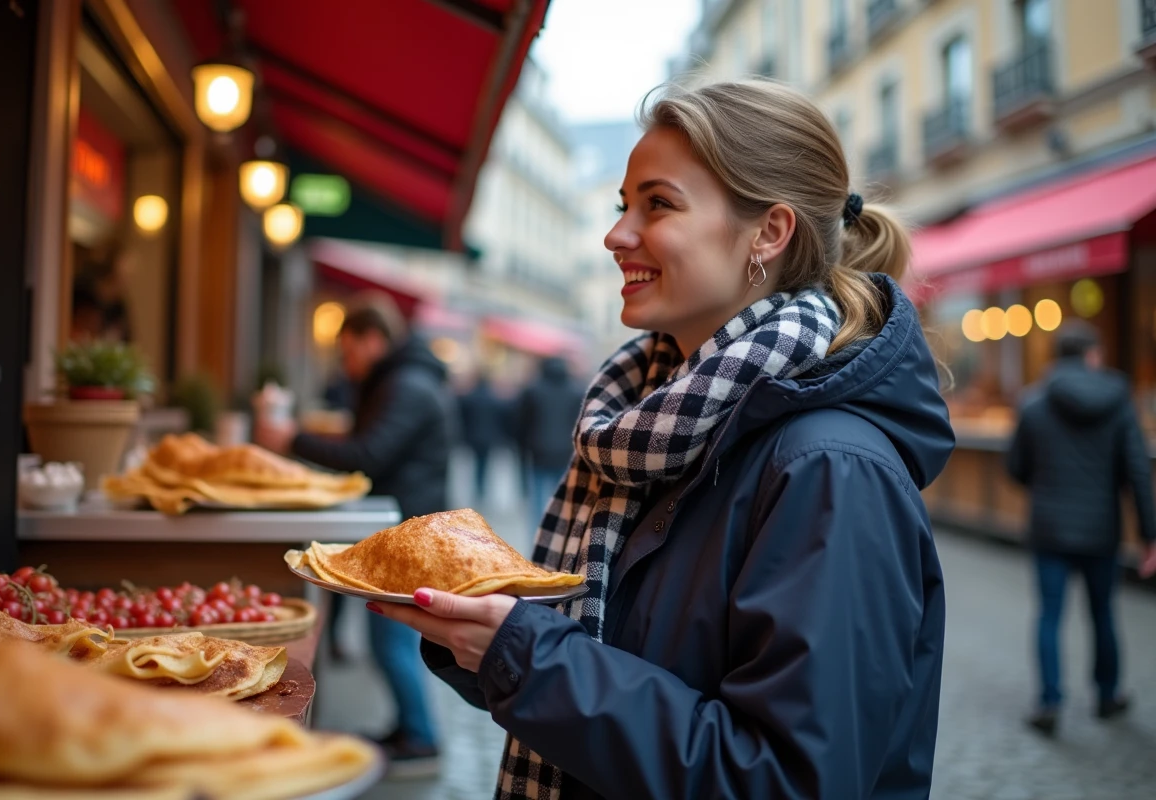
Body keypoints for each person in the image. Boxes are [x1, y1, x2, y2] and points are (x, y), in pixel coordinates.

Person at [371, 80, 955, 799]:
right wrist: (483, 640)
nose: (616, 235)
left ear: (769, 234)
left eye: (659, 204)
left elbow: (788, 782)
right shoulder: (653, 424)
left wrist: (527, 652)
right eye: (623, 206)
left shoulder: (829, 468)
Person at [253, 292, 450, 777]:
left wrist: (292, 439)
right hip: (403, 522)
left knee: (391, 640)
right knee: (391, 638)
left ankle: (421, 739)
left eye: (349, 351)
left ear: (373, 339)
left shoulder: (406, 384)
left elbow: (370, 454)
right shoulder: (404, 379)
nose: (346, 363)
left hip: (408, 529)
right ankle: (410, 730)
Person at [1007, 321, 1156, 736]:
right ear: (1093, 355)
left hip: (1049, 527)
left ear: (1058, 356)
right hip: (1100, 529)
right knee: (1103, 614)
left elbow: (1015, 467)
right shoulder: (1119, 401)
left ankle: (1051, 701)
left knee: (1050, 615)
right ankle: (1107, 696)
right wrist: (1149, 535)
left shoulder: (1033, 404)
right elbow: (1137, 473)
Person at [516, 356, 584, 530]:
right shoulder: (576, 391)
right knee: (562, 501)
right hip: (566, 453)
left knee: (537, 502)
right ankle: (558, 536)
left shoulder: (532, 390)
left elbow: (522, 422)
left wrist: (524, 445)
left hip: (538, 452)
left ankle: (537, 539)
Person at [457, 373, 508, 504]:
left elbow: (464, 417)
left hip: (474, 437)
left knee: (477, 464)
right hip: (489, 438)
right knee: (485, 464)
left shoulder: (471, 398)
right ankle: (483, 490)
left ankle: (478, 489)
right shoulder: (493, 399)